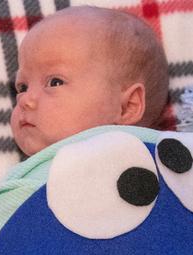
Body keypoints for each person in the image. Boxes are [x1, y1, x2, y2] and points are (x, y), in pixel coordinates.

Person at [11, 5, 169, 156]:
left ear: (127, 107)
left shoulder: (160, 165)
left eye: (55, 82)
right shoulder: (25, 178)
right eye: (23, 87)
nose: (25, 99)